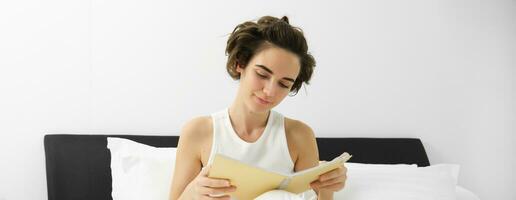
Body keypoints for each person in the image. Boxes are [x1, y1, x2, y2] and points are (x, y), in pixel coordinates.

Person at [169, 15, 347, 200]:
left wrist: (328, 186)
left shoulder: (299, 135)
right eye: (262, 74)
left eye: (284, 84)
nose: (270, 91)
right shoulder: (199, 132)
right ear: (240, 63)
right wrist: (194, 191)